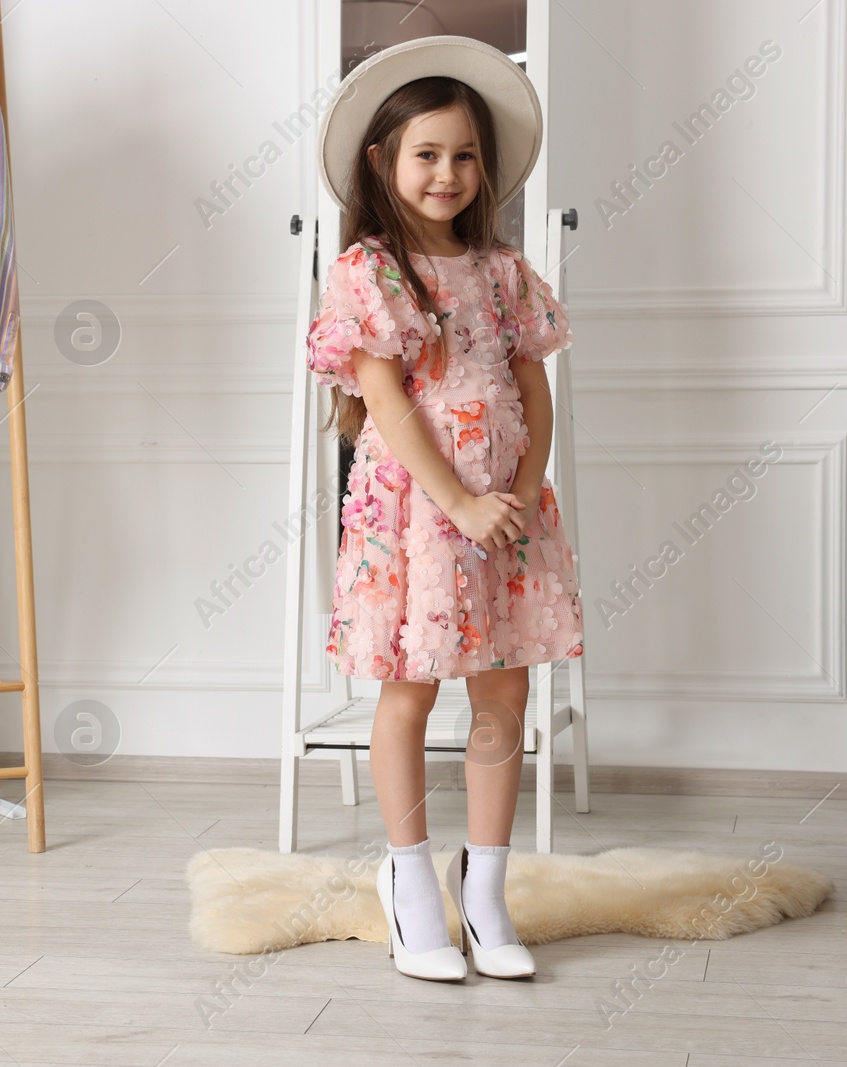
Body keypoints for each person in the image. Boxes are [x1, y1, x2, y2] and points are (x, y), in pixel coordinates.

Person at [306, 36, 583, 981]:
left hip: (501, 510)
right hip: (419, 514)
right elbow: (385, 401)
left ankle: (487, 885)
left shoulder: (504, 272)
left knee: (505, 690)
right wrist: (458, 500)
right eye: (427, 153)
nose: (449, 173)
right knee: (412, 687)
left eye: (465, 155)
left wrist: (522, 495)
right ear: (384, 161)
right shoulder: (369, 271)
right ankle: (410, 880)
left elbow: (531, 387)